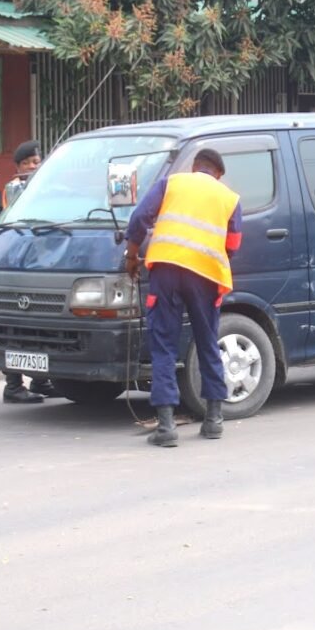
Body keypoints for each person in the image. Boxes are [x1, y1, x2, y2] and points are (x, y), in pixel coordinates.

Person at [124, 149, 243, 447]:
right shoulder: (230, 198)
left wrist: (132, 255)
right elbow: (233, 245)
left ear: (195, 167)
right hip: (206, 276)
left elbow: (140, 217)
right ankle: (214, 420)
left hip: (166, 269)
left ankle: (166, 426)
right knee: (207, 341)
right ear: (218, 174)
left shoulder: (172, 183)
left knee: (164, 344)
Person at [0, 139, 59, 403]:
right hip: (17, 265)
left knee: (42, 325)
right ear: (19, 166)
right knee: (14, 326)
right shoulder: (15, 188)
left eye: (38, 161)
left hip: (41, 266)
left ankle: (40, 380)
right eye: (30, 163)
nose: (36, 166)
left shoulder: (45, 187)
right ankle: (13, 385)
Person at [2, 139, 42, 209]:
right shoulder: (13, 187)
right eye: (25, 163)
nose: (32, 166)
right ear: (17, 167)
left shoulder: (47, 183)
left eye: (36, 162)